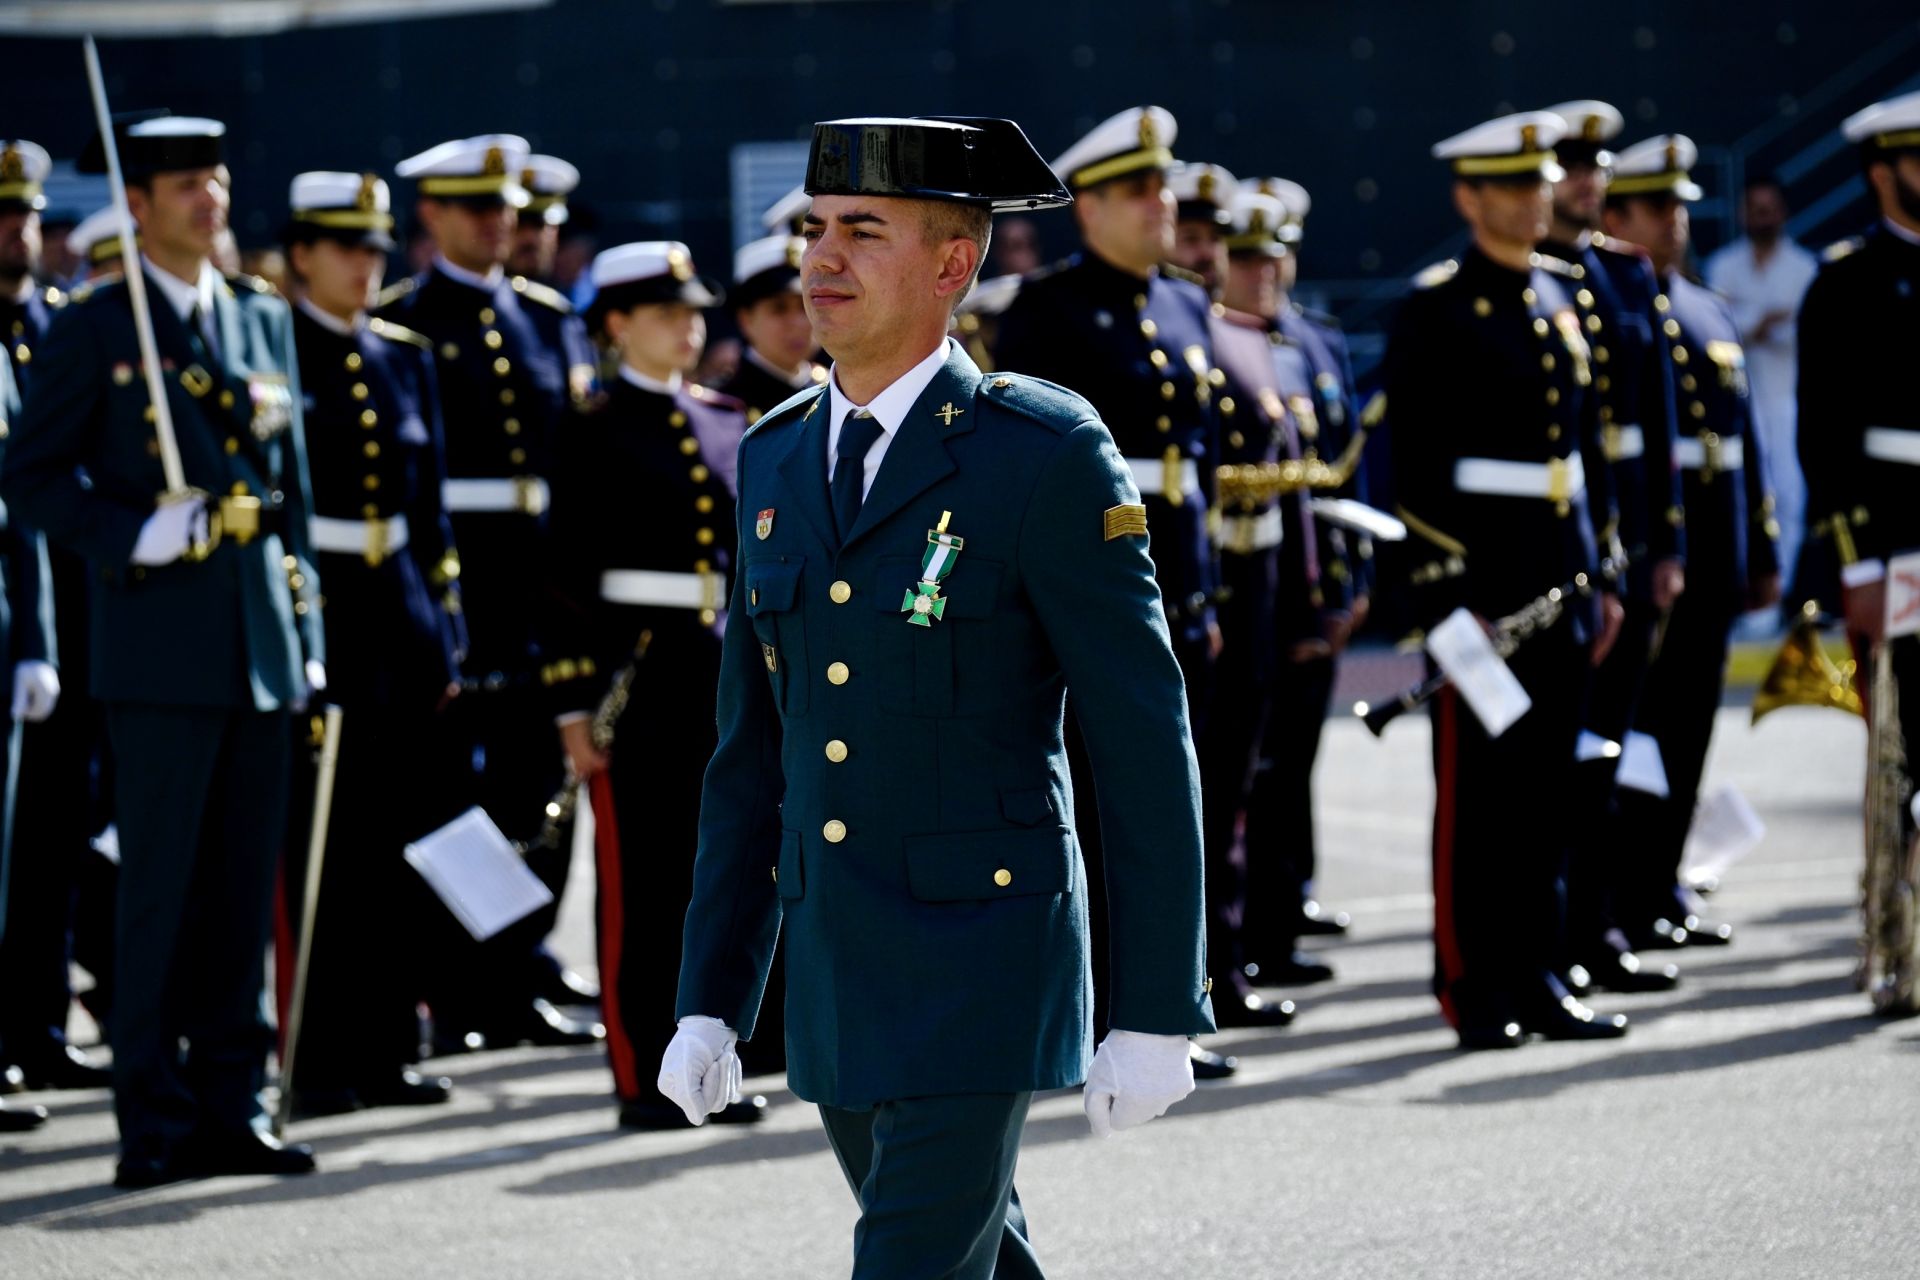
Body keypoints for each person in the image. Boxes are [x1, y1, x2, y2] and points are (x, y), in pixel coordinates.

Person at [658, 116, 1213, 1279]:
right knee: (979, 1258)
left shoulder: (1042, 453)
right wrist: (712, 993)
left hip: (982, 960)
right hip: (836, 967)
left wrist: (1160, 1004)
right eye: (816, 227)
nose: (821, 257)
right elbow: (753, 753)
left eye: (863, 231)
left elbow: (1142, 741)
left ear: (953, 263)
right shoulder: (774, 455)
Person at [3, 113, 325, 1184]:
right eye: (185, 184)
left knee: (241, 892)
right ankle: (152, 1118)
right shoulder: (98, 324)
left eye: (216, 178)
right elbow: (29, 475)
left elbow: (293, 494)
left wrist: (306, 630)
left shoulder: (258, 316)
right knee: (159, 892)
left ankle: (237, 1102)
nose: (208, 198)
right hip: (157, 645)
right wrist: (130, 532)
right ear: (136, 205)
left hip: (258, 642)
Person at [995, 106, 1253, 1076]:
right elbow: (1029, 472)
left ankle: (1177, 997)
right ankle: (1099, 1010)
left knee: (1182, 806)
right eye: (1139, 191)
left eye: (1162, 188)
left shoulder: (1186, 305)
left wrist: (1210, 593)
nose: (1161, 205)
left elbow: (1203, 468)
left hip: (1183, 588)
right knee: (1102, 815)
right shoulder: (1046, 310)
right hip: (1092, 597)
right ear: (1090, 207)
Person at [1386, 111, 1629, 1050]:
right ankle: (1474, 986)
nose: (1537, 198)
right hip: (1483, 588)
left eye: (1541, 181)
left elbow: (1588, 450)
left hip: (1562, 576)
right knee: (1480, 800)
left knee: (1548, 794)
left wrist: (1604, 570)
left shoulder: (1565, 296)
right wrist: (1447, 599)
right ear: (1470, 197)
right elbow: (1414, 470)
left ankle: (1539, 972)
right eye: (1516, 184)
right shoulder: (1438, 309)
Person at [377, 133, 603, 1054]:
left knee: (539, 786)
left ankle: (516, 973)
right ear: (431, 215)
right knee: (448, 794)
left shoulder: (548, 318)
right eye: (476, 207)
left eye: (503, 207)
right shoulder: (403, 321)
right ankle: (450, 984)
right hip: (460, 586)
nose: (496, 223)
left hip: (541, 588)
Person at [544, 241, 767, 1128]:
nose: (688, 327)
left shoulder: (727, 416)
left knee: (723, 879)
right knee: (642, 885)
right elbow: (563, 576)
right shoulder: (591, 426)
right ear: (616, 325)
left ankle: (709, 1070)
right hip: (636, 679)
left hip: (720, 669)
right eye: (666, 313)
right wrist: (572, 703)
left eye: (693, 312)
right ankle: (642, 1075)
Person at [274, 171, 462, 1117]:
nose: (365, 265)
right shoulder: (275, 350)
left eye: (375, 249)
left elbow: (429, 516)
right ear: (300, 254)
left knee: (394, 844)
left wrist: (445, 633)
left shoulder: (403, 358)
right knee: (322, 850)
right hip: (323, 614)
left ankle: (386, 1049)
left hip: (398, 622)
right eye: (346, 248)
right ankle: (314, 1059)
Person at [1603, 135, 1781, 952]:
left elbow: (1748, 442)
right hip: (1654, 552)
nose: (1675, 219)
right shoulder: (1619, 308)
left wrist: (1761, 550)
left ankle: (1665, 882)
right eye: (1656, 205)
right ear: (1616, 217)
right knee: (1639, 726)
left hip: (1716, 546)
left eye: (1679, 204)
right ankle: (1625, 891)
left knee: (1691, 723)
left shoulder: (1709, 308)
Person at [1536, 100, 1685, 996]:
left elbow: (1659, 428)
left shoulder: (1626, 275)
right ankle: (1552, 940)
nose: (1588, 180)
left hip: (1626, 541)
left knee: (1612, 750)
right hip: (1561, 548)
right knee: (1554, 762)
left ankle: (1601, 926)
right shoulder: (1526, 279)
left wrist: (1665, 543)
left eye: (1596, 165)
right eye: (1571, 165)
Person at [1796, 88, 1920, 1014]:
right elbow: (1825, 439)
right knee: (1901, 749)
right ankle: (1894, 937)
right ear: (1883, 172)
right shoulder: (1845, 282)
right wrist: (1859, 563)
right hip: (1898, 539)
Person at [1238, 174, 1368, 981]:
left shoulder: (1316, 341)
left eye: (1275, 255)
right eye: (1247, 257)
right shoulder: (1220, 344)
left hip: (1320, 581)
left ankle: (1285, 908)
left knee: (1295, 760)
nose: (1264, 272)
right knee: (1253, 769)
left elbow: (1346, 468)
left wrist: (1354, 582)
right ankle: (1253, 929)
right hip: (1262, 582)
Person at [1198, 189, 1319, 1016]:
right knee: (1197, 796)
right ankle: (1207, 972)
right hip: (1196, 592)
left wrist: (1307, 594)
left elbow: (1292, 486)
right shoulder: (1187, 339)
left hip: (1255, 591)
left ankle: (1230, 963)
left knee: (1237, 786)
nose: (1208, 258)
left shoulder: (1259, 342)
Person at [0, 137, 95, 1100]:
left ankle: (38, 1022)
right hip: (19, 622)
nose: (17, 230)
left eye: (24, 213)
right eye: (3, 216)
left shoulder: (60, 327)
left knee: (54, 841)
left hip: (75, 622)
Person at [1705, 176, 1816, 596]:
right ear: (1742, 214)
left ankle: (1777, 596)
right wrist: (1763, 320)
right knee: (1738, 496)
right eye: (1755, 209)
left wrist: (1751, 320)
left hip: (1787, 402)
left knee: (1789, 497)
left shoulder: (1804, 268)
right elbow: (1721, 328)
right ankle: (1743, 594)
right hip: (1736, 403)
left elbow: (1798, 331)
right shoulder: (1723, 266)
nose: (1763, 218)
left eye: (1769, 209)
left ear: (1783, 213)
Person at [713, 232, 825, 425]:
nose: (798, 322)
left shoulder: (833, 389)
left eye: (805, 305)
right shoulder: (724, 407)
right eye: (779, 309)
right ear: (746, 320)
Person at [508, 154, 578, 284]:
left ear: (555, 230)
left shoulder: (563, 296)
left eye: (539, 225)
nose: (529, 237)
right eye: (518, 224)